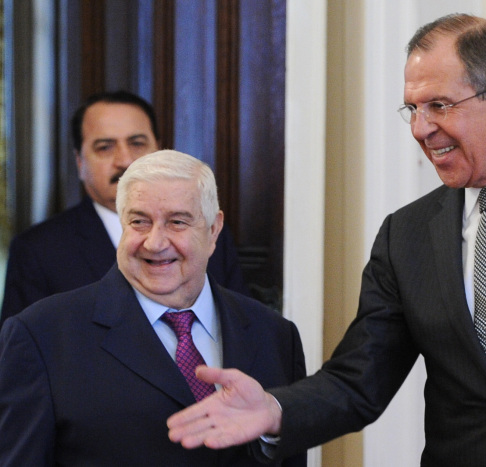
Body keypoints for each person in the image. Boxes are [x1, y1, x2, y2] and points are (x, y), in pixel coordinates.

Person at [165, 13, 486, 466]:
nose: (421, 129)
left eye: (439, 105)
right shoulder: (407, 236)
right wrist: (275, 410)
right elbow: (359, 379)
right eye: (413, 109)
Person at [0, 150, 307, 466]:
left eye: (177, 222)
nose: (155, 242)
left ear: (213, 230)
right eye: (139, 222)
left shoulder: (275, 335)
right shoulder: (42, 334)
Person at [0, 90, 249, 327]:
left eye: (137, 143)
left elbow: (239, 325)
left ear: (160, 150)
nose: (126, 160)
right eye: (105, 147)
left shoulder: (204, 231)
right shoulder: (37, 250)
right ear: (80, 162)